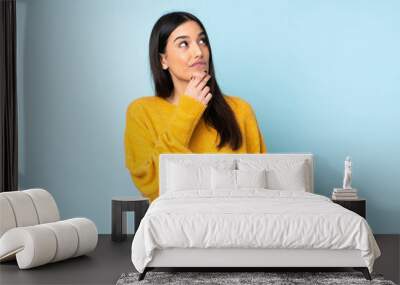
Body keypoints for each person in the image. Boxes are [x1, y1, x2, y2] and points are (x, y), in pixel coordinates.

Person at [124, 11, 266, 202]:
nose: (199, 52)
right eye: (184, 44)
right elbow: (151, 186)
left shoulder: (241, 110)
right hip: (175, 223)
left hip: (237, 222)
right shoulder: (141, 112)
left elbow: (261, 184)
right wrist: (188, 110)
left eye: (202, 41)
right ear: (163, 60)